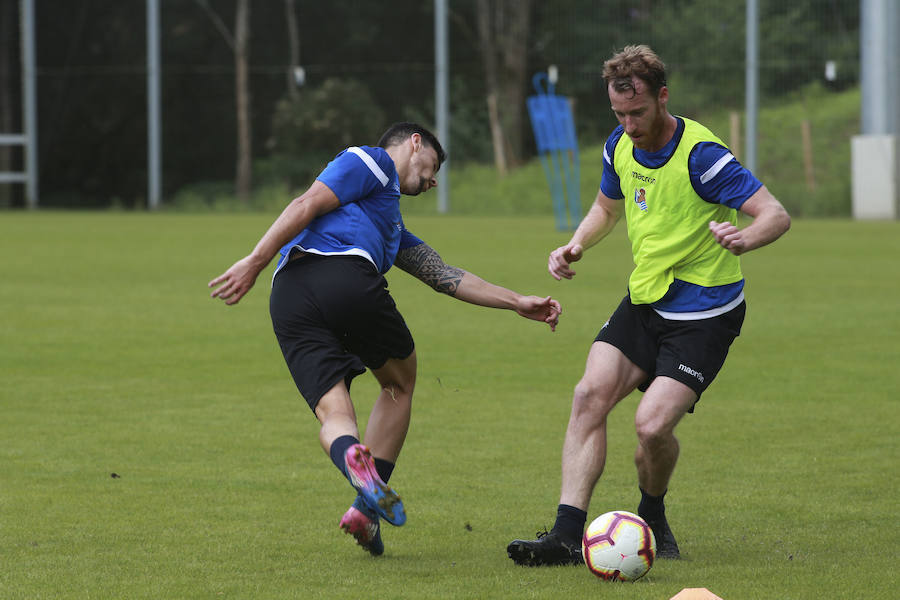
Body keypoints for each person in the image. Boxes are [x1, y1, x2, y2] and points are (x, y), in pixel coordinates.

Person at [208, 122, 561, 557]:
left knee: (333, 413)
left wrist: (515, 301)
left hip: (289, 299)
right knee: (400, 383)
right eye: (433, 167)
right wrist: (254, 260)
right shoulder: (371, 161)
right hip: (343, 277)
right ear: (415, 143)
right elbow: (308, 202)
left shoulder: (388, 223)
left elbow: (444, 275)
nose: (433, 181)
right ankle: (366, 503)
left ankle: (357, 468)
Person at [506, 45, 790, 566]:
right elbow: (605, 207)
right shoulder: (619, 145)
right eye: (619, 114)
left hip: (704, 314)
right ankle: (566, 535)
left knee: (652, 427)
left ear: (663, 97)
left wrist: (746, 239)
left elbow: (775, 213)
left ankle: (652, 512)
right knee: (589, 393)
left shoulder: (703, 156)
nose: (629, 125)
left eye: (637, 112)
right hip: (646, 300)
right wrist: (577, 244)